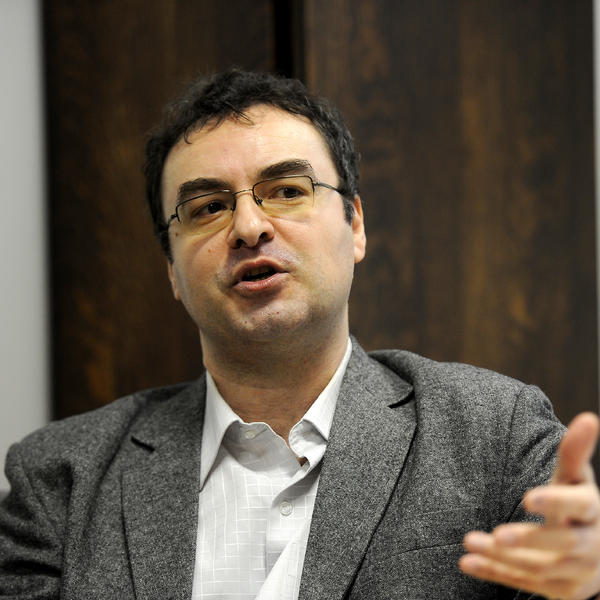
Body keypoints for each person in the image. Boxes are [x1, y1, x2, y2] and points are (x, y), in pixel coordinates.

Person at [1, 69, 599, 600]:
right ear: (172, 273)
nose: (249, 226)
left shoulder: (493, 434)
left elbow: (568, 566)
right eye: (207, 207)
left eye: (287, 191)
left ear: (354, 225)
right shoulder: (61, 480)